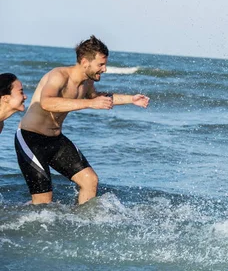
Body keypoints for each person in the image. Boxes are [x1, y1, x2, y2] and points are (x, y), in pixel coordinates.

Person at [14, 35, 150, 205]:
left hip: (55, 140)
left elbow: (98, 98)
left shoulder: (87, 83)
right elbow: (47, 102)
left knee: (90, 180)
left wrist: (131, 99)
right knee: (43, 202)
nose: (105, 69)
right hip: (30, 139)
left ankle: (82, 222)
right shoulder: (59, 75)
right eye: (101, 64)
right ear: (85, 62)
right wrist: (90, 103)